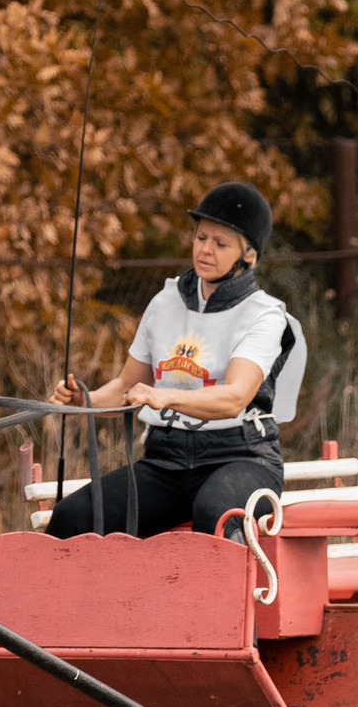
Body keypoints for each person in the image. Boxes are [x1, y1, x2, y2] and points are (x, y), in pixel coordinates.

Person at [44, 182, 298, 540]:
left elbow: (235, 398)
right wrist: (84, 401)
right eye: (200, 238)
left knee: (216, 513)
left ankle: (223, 594)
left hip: (241, 458)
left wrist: (166, 397)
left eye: (220, 243)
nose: (205, 250)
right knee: (73, 516)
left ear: (249, 256)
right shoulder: (164, 302)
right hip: (165, 460)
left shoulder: (264, 314)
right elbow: (128, 387)